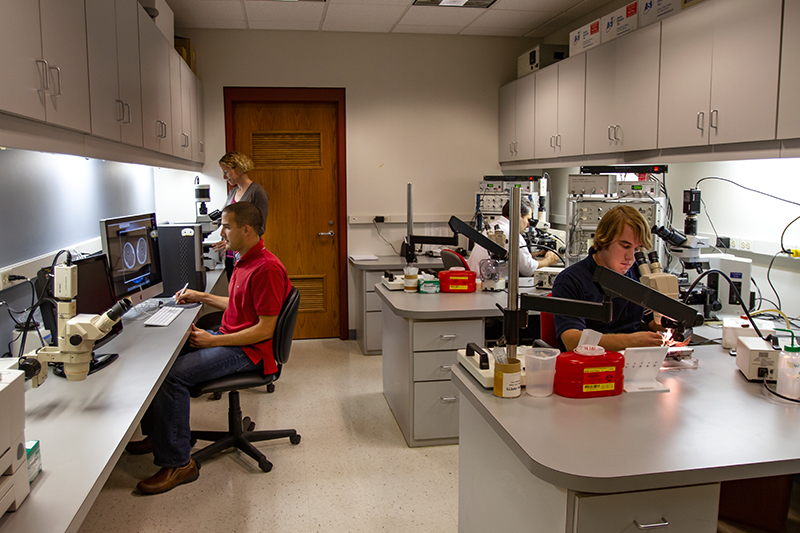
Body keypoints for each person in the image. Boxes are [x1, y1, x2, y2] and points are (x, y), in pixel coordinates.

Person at [127, 201, 292, 495]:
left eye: (226, 226)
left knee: (172, 376)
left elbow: (265, 329)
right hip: (234, 338)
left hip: (251, 352)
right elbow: (241, 307)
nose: (221, 232)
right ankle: (163, 436)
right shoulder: (245, 260)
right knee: (161, 360)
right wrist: (201, 297)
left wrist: (213, 340)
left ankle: (179, 463)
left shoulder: (266, 268)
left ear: (247, 229)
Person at [552, 204, 663, 352]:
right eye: (625, 246)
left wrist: (674, 327)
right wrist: (631, 341)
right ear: (604, 240)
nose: (631, 258)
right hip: (590, 366)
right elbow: (572, 340)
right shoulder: (570, 280)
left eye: (637, 249)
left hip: (635, 362)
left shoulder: (639, 273)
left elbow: (653, 321)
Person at [467, 198, 560, 278]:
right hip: (489, 284)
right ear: (519, 215)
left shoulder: (494, 226)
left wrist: (537, 253)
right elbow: (528, 269)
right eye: (528, 219)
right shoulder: (512, 234)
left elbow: (511, 256)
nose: (528, 225)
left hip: (479, 280)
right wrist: (549, 260)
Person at [213, 151, 270, 279]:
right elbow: (224, 218)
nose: (224, 177)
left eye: (226, 172)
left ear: (238, 169)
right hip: (230, 254)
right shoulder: (233, 192)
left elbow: (259, 228)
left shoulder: (257, 192)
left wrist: (233, 239)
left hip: (247, 253)